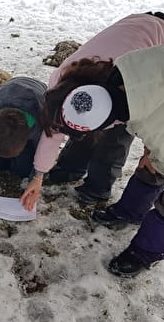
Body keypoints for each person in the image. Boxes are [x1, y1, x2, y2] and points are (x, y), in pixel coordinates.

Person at [35, 43, 164, 277]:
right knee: (150, 166)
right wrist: (150, 154)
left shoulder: (151, 123)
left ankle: (146, 251)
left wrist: (156, 157)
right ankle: (128, 212)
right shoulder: (125, 72)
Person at [22, 12, 164, 207]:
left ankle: (98, 189)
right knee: (83, 127)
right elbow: (52, 131)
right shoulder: (61, 80)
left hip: (155, 39)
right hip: (134, 24)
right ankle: (69, 169)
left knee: (115, 140)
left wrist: (149, 154)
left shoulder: (132, 98)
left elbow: (154, 120)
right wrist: (38, 175)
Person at [0, 77, 47, 206]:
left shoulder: (42, 117)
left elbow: (44, 150)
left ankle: (18, 158)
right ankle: (6, 157)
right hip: (6, 93)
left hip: (35, 92)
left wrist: (35, 180)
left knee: (24, 169)